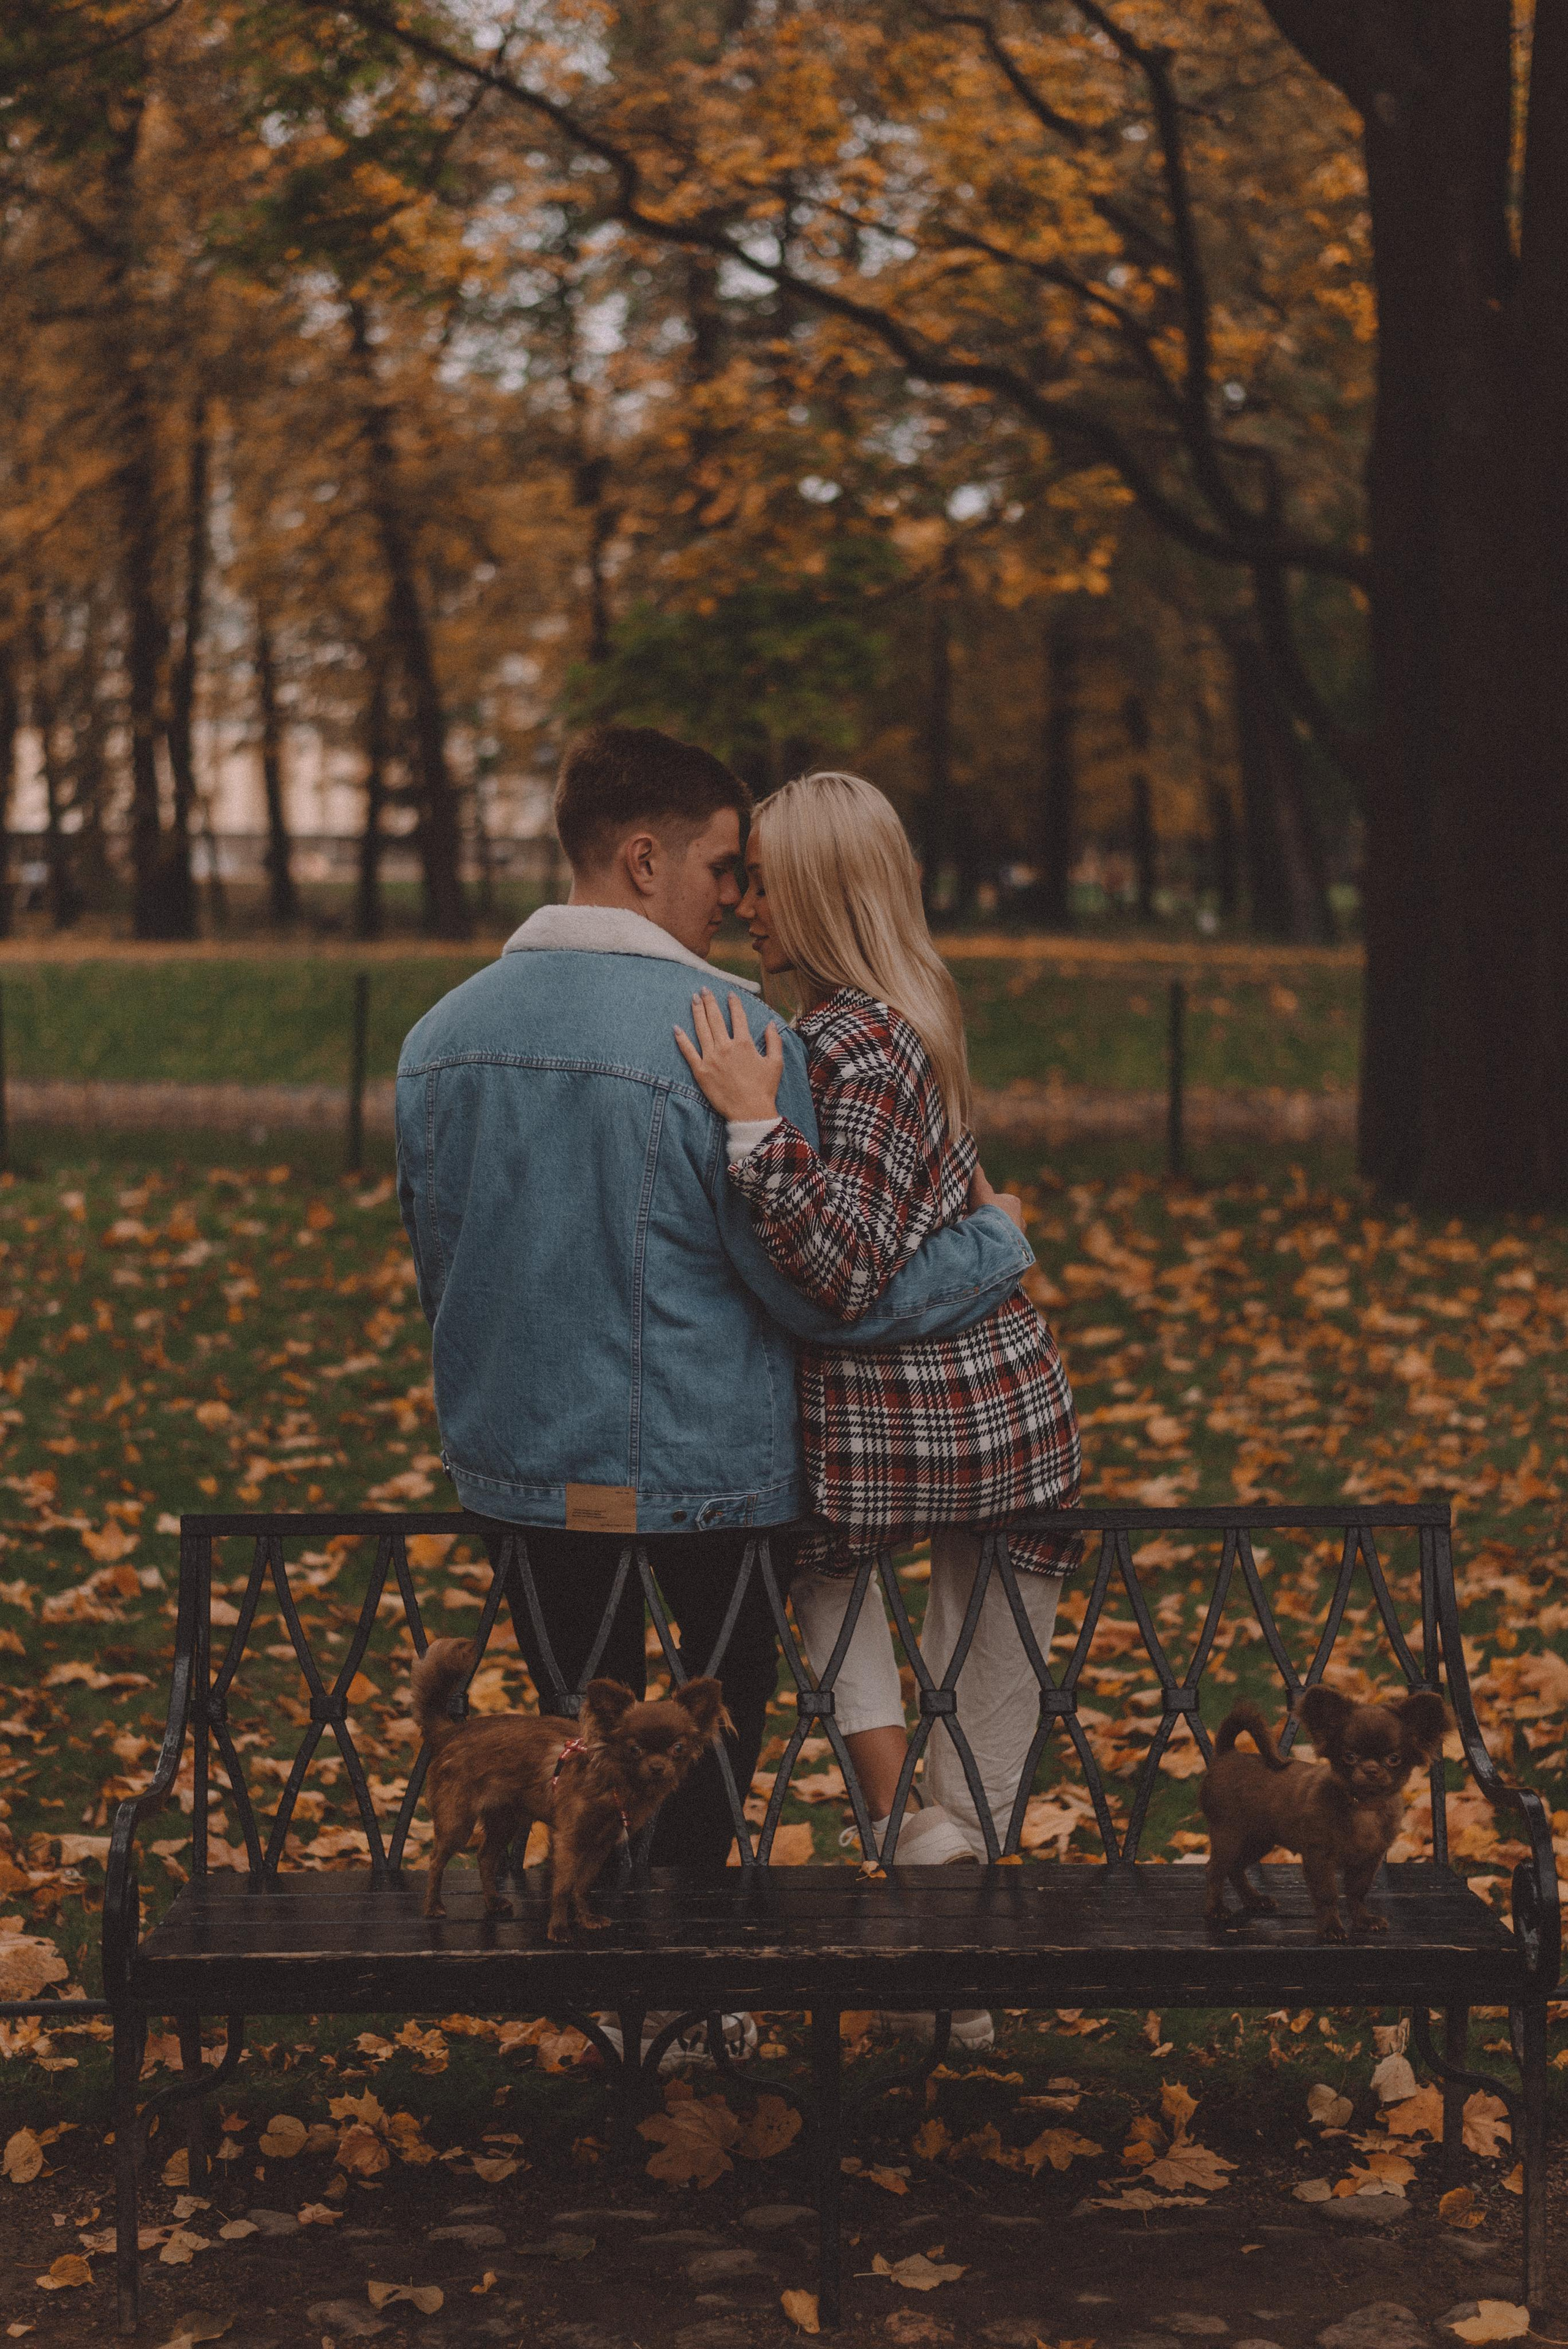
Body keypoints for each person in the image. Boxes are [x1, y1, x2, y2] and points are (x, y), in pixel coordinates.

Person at [394, 727, 1037, 1959]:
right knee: (688, 1763)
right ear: (643, 860)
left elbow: (442, 1272)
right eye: (721, 867)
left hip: (521, 1477)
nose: (736, 897)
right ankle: (692, 2004)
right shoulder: (731, 1039)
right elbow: (812, 1293)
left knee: (587, 1748)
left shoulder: (439, 1036)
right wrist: (991, 1249)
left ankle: (612, 2007)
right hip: (709, 1482)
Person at [675, 770, 1082, 2043]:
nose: (741, 901)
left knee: (840, 1589)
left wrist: (751, 1130)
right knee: (985, 1671)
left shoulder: (849, 1040)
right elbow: (922, 1234)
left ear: (825, 892)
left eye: (764, 878)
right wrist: (993, 1251)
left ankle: (931, 1908)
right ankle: (941, 1940)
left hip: (899, 1431)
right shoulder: (903, 1020)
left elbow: (842, 1263)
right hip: (1000, 1418)